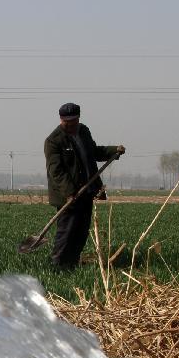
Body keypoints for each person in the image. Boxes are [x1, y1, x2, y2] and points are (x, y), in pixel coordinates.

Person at [44, 102, 125, 269]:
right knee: (66, 232)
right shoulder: (53, 141)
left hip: (87, 192)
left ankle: (72, 263)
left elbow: (94, 152)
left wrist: (113, 150)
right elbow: (56, 172)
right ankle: (58, 265)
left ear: (78, 119)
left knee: (81, 232)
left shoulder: (83, 131)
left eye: (73, 121)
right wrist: (69, 193)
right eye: (66, 122)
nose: (70, 125)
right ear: (61, 120)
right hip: (68, 196)